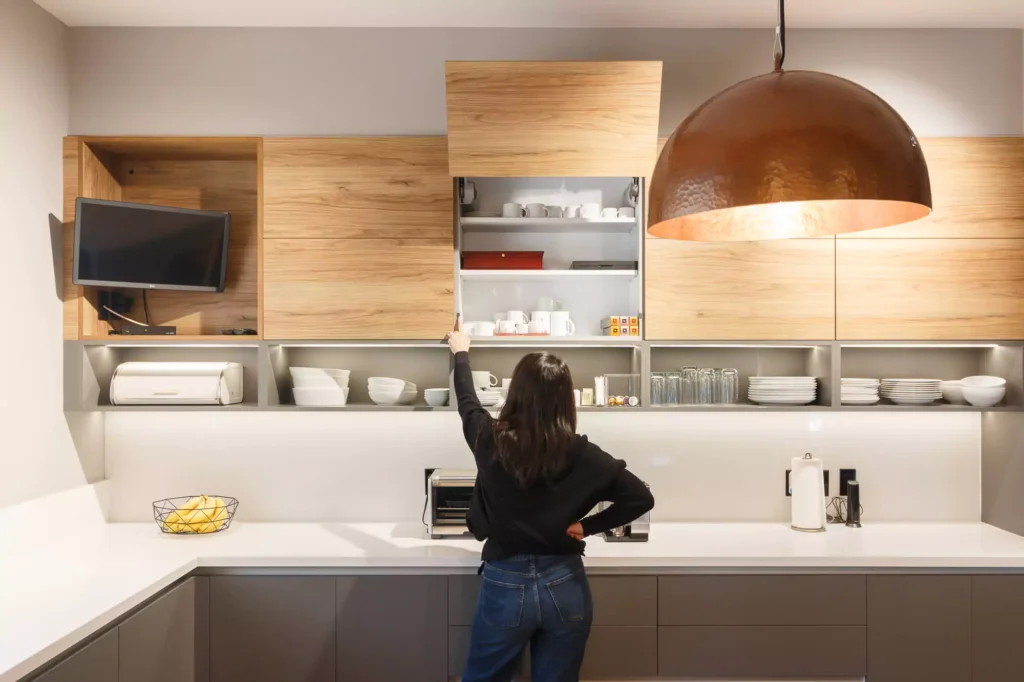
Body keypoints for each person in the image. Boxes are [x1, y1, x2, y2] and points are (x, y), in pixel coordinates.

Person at [446, 316, 655, 682]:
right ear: (565, 400)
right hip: (565, 584)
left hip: (505, 582)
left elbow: (467, 401)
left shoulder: (488, 440)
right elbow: (640, 498)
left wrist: (461, 352)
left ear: (516, 395)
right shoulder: (583, 453)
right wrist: (586, 526)